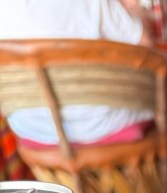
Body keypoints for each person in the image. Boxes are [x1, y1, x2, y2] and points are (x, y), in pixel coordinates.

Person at [4, 0, 154, 147]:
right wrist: (139, 17)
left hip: (31, 130)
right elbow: (147, 50)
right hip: (103, 126)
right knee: (163, 90)